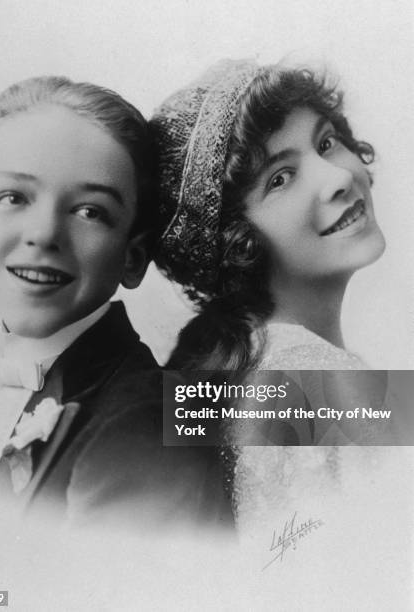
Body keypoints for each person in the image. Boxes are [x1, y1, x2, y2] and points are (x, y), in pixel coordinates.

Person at [0, 76, 231, 530]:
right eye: (14, 197)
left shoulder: (144, 421)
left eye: (90, 212)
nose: (43, 233)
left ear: (133, 257)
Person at [150, 59, 392, 534]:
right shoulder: (318, 378)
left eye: (326, 142)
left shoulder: (244, 362)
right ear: (237, 242)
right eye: (280, 178)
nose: (338, 178)